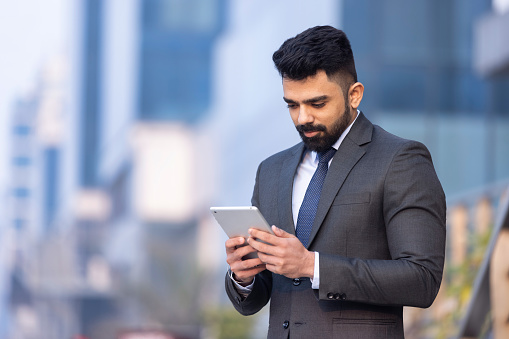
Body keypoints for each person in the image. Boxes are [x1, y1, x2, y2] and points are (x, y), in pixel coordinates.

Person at [224, 25, 446, 339]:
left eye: (317, 104)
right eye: (292, 105)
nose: (302, 118)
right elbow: (256, 298)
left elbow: (421, 280)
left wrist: (311, 266)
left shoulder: (401, 160)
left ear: (354, 95)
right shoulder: (271, 171)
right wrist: (243, 277)